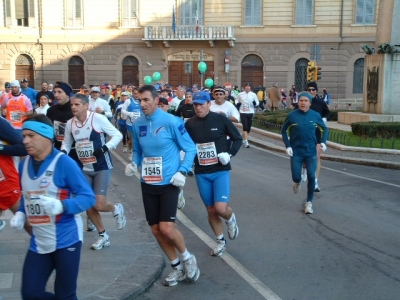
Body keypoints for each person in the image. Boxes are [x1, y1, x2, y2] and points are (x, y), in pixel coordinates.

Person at [10, 114, 95, 299]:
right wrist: (21, 213)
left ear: (46, 137)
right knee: (30, 293)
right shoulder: (23, 165)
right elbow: (28, 197)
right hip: (39, 241)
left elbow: (88, 198)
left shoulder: (64, 163)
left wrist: (62, 206)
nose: (25, 140)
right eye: (24, 136)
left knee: (65, 294)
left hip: (67, 239)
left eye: (31, 136)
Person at [126, 84, 200, 286]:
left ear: (156, 101)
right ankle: (176, 267)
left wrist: (182, 171)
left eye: (146, 100)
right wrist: (134, 163)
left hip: (169, 181)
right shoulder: (138, 123)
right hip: (148, 182)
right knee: (156, 230)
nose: (142, 104)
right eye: (139, 100)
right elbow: (139, 150)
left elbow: (190, 148)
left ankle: (187, 258)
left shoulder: (171, 121)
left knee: (167, 229)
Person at [62, 93, 125, 250]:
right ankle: (103, 235)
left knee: (98, 204)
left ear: (86, 106)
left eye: (77, 104)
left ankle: (115, 208)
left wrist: (104, 148)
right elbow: (67, 143)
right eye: (72, 105)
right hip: (84, 168)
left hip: (101, 167)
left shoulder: (97, 118)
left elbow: (118, 134)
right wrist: (62, 154)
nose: (74, 107)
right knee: (87, 204)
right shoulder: (70, 124)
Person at [185, 91, 242, 257]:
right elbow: (186, 145)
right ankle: (220, 241)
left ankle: (230, 219)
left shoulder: (220, 119)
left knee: (220, 208)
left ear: (209, 104)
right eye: (195, 104)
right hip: (202, 172)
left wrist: (229, 153)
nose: (198, 107)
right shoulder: (190, 124)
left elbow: (237, 139)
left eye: (201, 104)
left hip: (220, 170)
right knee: (210, 210)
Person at [281, 91, 328, 214]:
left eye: (306, 101)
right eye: (301, 100)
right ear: (298, 102)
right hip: (296, 151)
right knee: (296, 176)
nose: (303, 103)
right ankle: (297, 182)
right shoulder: (292, 115)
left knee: (312, 176)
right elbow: (284, 130)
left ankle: (309, 203)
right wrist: (288, 146)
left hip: (311, 151)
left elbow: (325, 128)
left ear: (310, 103)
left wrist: (323, 142)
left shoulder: (315, 116)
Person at [0, 116, 28, 233]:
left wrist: (1, 148)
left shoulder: (1, 124)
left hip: (7, 181)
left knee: (30, 223)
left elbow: (23, 148)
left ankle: (53, 245)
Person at [306, 82, 330, 192]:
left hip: (317, 133)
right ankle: (305, 169)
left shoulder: (321, 102)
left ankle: (315, 181)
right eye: (309, 89)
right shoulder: (303, 101)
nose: (311, 91)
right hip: (305, 133)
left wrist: (324, 118)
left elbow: (327, 112)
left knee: (317, 157)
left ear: (316, 90)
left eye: (313, 89)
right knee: (305, 156)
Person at [236, 83, 259, 148]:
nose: (247, 88)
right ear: (244, 87)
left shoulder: (253, 94)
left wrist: (255, 104)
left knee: (248, 128)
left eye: (249, 87)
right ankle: (246, 141)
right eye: (246, 87)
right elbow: (236, 100)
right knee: (245, 126)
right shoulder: (240, 94)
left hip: (250, 112)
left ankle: (243, 138)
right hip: (243, 112)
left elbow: (257, 102)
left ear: (250, 88)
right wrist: (237, 103)